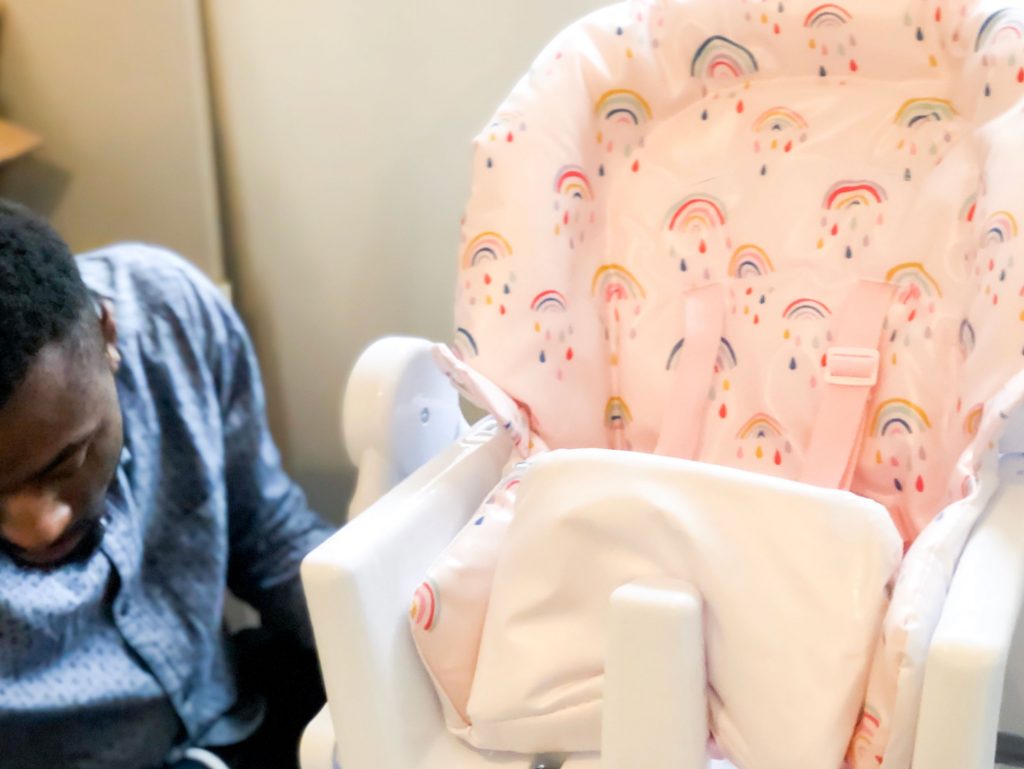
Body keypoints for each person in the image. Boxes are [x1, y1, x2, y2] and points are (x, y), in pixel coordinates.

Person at [0, 201, 334, 769]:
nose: (40, 527)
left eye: (66, 463)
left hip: (231, 713)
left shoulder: (170, 316)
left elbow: (270, 540)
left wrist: (391, 626)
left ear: (108, 334)